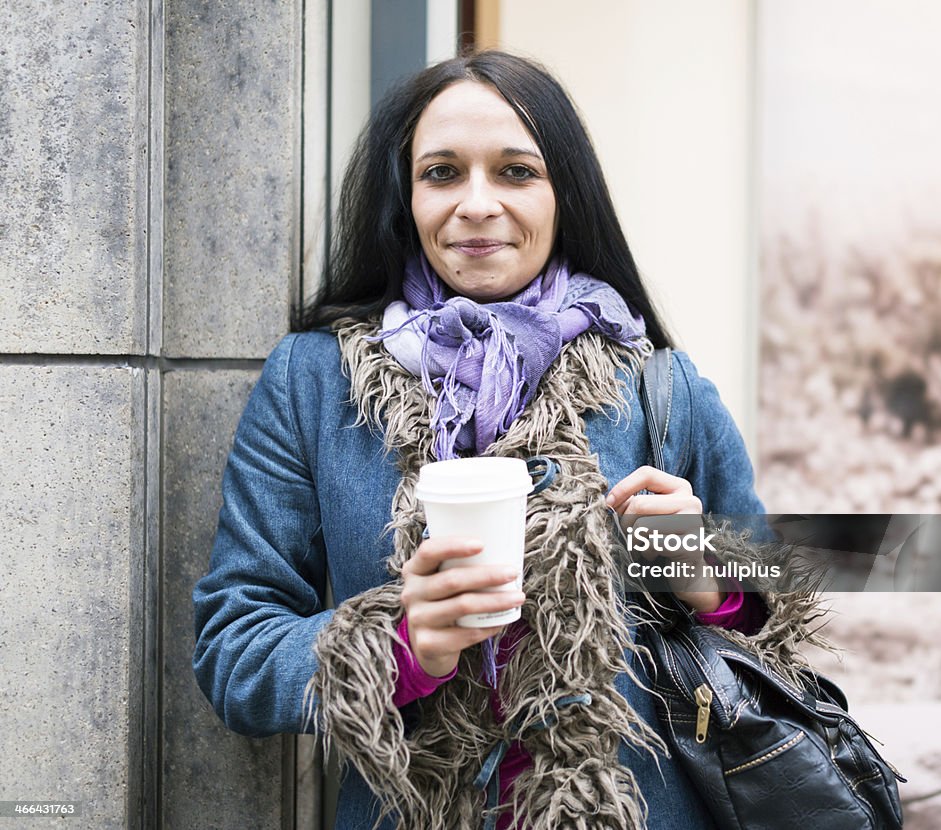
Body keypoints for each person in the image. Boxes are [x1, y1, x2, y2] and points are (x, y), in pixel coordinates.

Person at [192, 51, 787, 830]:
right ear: (404, 197)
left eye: (515, 172)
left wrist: (714, 582)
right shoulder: (313, 381)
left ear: (563, 194)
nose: (477, 203)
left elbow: (775, 626)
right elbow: (233, 645)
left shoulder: (658, 386)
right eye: (442, 172)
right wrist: (397, 646)